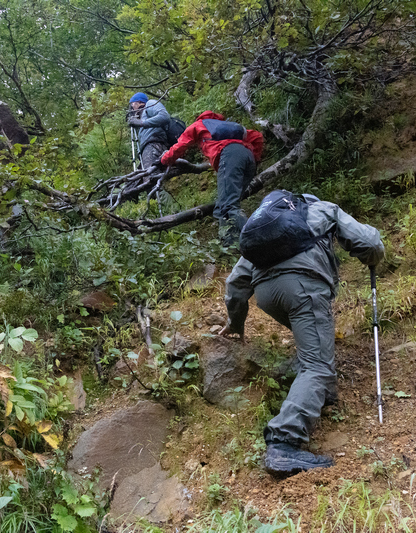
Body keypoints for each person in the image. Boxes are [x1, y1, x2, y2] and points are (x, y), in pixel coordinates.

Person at [220, 193, 384, 477]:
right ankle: (283, 441)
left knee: (315, 351)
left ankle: (323, 394)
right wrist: (373, 258)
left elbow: (235, 283)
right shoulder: (320, 209)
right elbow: (369, 242)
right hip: (303, 288)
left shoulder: (266, 232)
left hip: (267, 296)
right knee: (316, 365)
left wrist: (236, 322)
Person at [157, 111, 264, 247]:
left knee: (229, 206)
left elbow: (180, 146)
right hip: (248, 157)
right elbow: (257, 136)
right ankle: (229, 244)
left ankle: (258, 241)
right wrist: (255, 158)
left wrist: (163, 160)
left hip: (229, 155)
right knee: (225, 204)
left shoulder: (199, 125)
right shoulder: (226, 124)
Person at [127, 93, 171, 169]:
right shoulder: (144, 117)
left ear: (139, 102)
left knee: (150, 177)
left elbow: (164, 116)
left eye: (132, 104)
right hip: (149, 147)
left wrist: (141, 123)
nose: (132, 107)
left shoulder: (150, 104)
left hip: (154, 144)